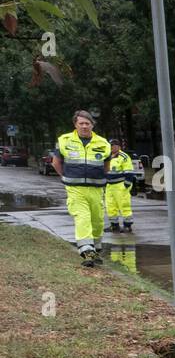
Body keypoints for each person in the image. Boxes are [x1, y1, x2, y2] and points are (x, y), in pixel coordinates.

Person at [53, 110, 112, 267]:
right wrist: (65, 177)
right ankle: (87, 252)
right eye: (81, 123)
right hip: (75, 189)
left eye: (87, 123)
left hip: (96, 189)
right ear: (75, 124)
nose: (85, 126)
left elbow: (106, 166)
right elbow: (56, 162)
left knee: (97, 221)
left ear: (92, 125)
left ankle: (96, 249)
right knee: (83, 218)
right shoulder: (65, 140)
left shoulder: (103, 143)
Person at [104, 139, 134, 234]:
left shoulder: (123, 157)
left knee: (124, 205)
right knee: (110, 206)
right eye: (111, 145)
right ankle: (114, 226)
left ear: (119, 146)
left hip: (120, 185)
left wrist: (127, 184)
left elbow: (129, 171)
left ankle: (127, 226)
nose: (112, 147)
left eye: (114, 145)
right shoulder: (107, 156)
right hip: (109, 186)